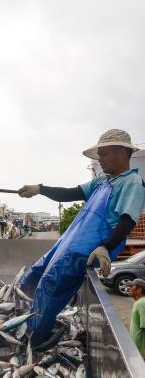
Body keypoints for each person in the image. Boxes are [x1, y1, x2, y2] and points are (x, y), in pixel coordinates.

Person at [17, 129, 145, 346]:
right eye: (99, 155)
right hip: (67, 244)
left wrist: (106, 247)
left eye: (104, 154)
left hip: (83, 251)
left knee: (49, 286)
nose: (100, 160)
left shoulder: (132, 183)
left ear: (123, 153)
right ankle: (16, 318)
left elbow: (127, 220)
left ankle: (33, 342)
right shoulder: (102, 182)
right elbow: (69, 193)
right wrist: (39, 188)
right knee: (33, 275)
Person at [128, 278, 145, 358]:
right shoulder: (138, 302)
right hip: (136, 349)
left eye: (132, 287)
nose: (129, 288)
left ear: (139, 290)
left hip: (140, 351)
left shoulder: (141, 303)